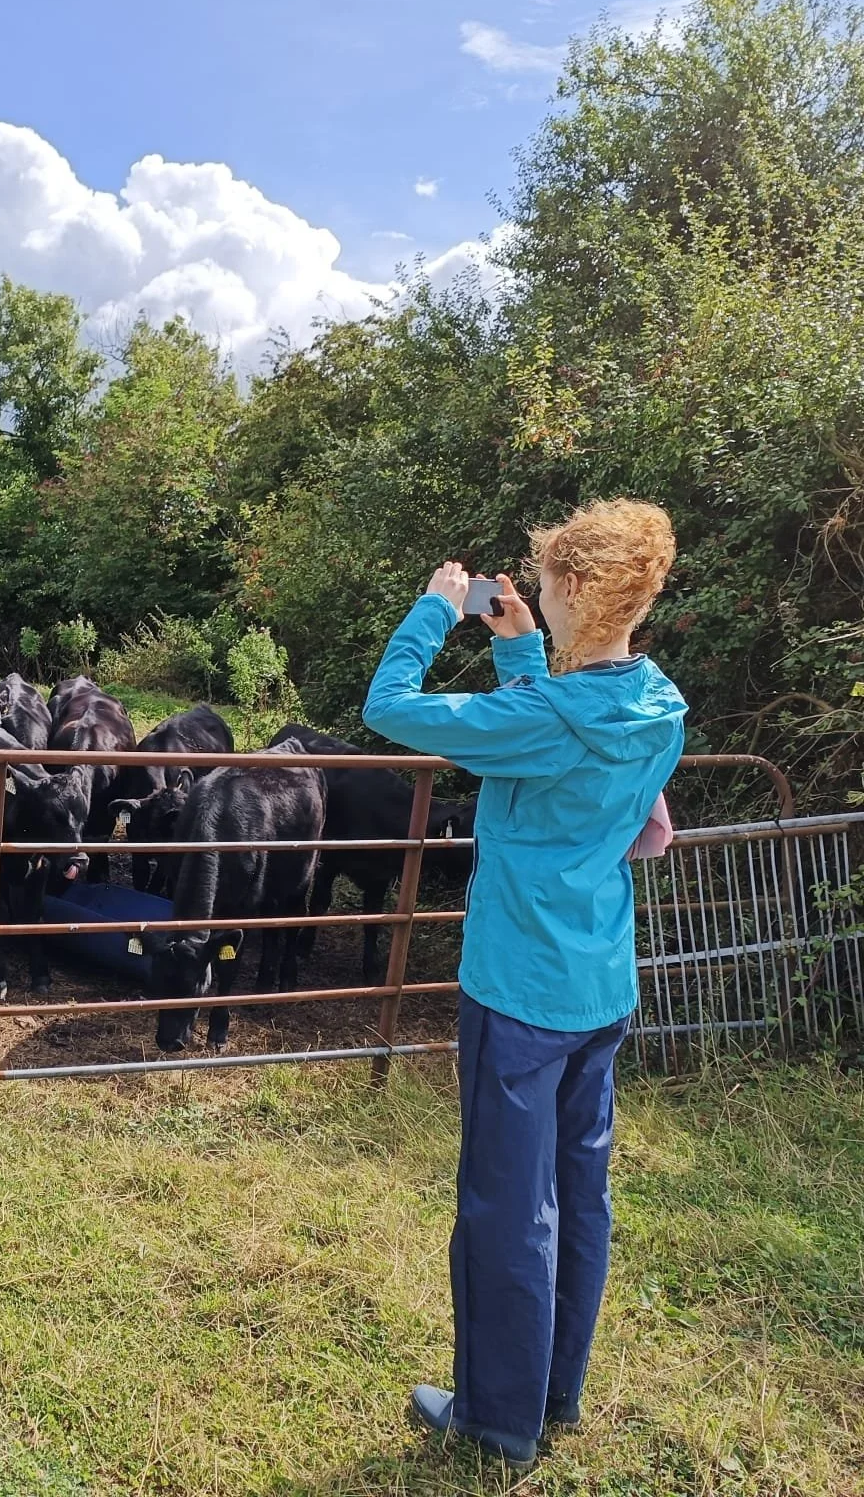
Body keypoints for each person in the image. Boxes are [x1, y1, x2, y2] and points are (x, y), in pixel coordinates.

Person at [361, 498, 686, 1471]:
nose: (534, 593)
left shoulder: (548, 715)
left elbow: (391, 707)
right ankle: (556, 1390)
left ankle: (498, 1417)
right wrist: (518, 652)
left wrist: (436, 609)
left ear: (576, 589)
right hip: (598, 983)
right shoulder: (657, 703)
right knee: (578, 1194)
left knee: (506, 1206)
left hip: (519, 990)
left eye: (545, 583)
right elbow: (553, 756)